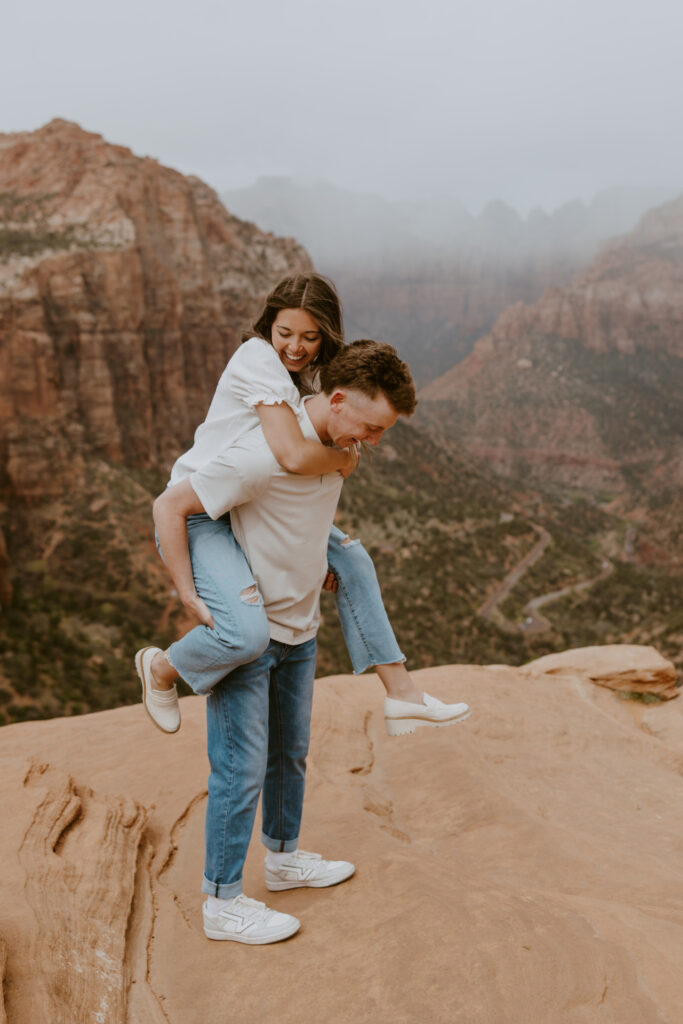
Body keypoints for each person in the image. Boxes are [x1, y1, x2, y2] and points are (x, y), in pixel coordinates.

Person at [152, 341, 427, 943]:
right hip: (250, 633)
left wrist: (320, 562)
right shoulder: (261, 453)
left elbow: (305, 525)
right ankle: (222, 904)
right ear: (335, 401)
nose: (375, 441)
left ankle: (282, 861)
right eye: (373, 426)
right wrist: (191, 598)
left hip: (299, 627)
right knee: (238, 769)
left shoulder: (331, 448)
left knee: (288, 756)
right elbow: (173, 505)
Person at [136, 273, 470, 737]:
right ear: (267, 326)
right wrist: (343, 458)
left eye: (310, 338)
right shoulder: (259, 358)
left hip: (243, 498)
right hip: (200, 511)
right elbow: (290, 455)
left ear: (325, 336)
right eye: (285, 333)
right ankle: (162, 669)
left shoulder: (297, 378)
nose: (295, 347)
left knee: (351, 559)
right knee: (244, 632)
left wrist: (311, 553)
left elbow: (288, 467)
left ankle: (402, 694)